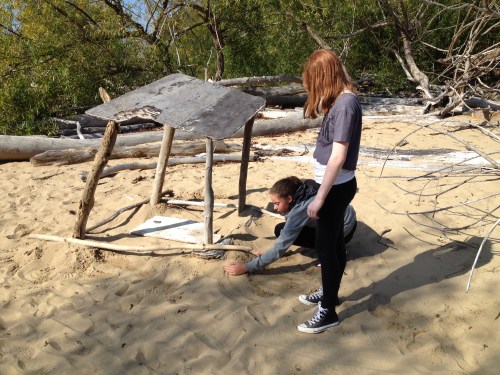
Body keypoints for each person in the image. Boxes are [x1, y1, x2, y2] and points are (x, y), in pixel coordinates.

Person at [296, 49, 362, 334]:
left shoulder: (346, 105)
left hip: (335, 188)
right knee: (333, 245)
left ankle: (329, 312)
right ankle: (329, 293)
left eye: (314, 81)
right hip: (334, 186)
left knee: (326, 247)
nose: (313, 88)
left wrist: (320, 197)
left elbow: (338, 156)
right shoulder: (339, 102)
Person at [223, 176, 357, 276]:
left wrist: (247, 267)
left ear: (289, 199)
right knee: (280, 229)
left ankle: (335, 250)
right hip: (347, 222)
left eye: (276, 203)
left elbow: (280, 247)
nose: (275, 208)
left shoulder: (300, 210)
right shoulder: (305, 188)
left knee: (284, 231)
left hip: (342, 234)